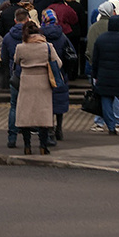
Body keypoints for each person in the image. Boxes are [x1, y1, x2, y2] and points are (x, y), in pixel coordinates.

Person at [13, 21, 58, 154]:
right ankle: (43, 146)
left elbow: (16, 61)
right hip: (44, 82)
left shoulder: (21, 47)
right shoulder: (48, 47)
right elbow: (58, 63)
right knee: (43, 116)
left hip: (26, 82)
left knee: (26, 116)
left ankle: (27, 146)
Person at [40, 9, 72, 141]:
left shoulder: (40, 36)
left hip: (43, 73)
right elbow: (71, 55)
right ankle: (59, 128)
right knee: (59, 102)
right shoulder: (63, 36)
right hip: (60, 73)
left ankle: (49, 129)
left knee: (46, 103)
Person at [1, 7, 31, 148]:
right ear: (27, 20)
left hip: (16, 76)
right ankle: (31, 137)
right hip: (31, 75)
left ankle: (12, 138)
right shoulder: (32, 35)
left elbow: (4, 58)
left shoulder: (7, 37)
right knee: (31, 106)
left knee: (14, 106)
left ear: (15, 20)